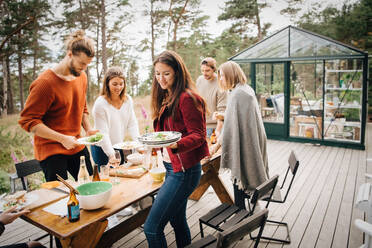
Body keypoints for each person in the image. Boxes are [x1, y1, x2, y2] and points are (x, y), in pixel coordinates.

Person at [143, 50, 209, 248]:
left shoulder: (186, 98)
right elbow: (164, 132)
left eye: (166, 73)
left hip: (184, 172)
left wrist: (176, 144)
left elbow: (198, 135)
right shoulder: (168, 96)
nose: (160, 78)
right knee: (177, 221)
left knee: (151, 228)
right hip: (172, 168)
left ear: (177, 73)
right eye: (157, 73)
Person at [19, 30, 96, 182]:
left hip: (76, 144)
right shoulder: (45, 84)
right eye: (81, 63)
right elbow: (28, 121)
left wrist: (88, 128)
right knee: (59, 200)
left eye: (87, 64)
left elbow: (82, 107)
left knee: (92, 186)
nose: (84, 68)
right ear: (69, 55)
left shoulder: (81, 77)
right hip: (51, 150)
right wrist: (61, 138)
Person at [210, 61, 269, 209]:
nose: (221, 79)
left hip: (248, 142)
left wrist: (215, 147)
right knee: (240, 177)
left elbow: (230, 126)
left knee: (240, 176)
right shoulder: (244, 89)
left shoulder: (238, 94)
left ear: (231, 75)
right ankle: (243, 212)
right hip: (255, 137)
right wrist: (224, 115)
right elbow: (238, 118)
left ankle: (240, 213)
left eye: (222, 76)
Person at [91, 66, 140, 167]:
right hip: (101, 148)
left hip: (118, 145)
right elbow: (103, 133)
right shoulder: (100, 104)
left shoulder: (128, 100)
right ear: (107, 84)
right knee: (105, 179)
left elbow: (132, 124)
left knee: (120, 177)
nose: (118, 87)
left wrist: (138, 144)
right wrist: (111, 154)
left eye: (121, 84)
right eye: (114, 84)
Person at [196, 57, 226, 138]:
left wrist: (218, 131)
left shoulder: (221, 83)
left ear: (214, 69)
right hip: (199, 125)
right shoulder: (199, 80)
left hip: (214, 127)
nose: (204, 73)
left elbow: (222, 110)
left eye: (207, 71)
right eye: (202, 71)